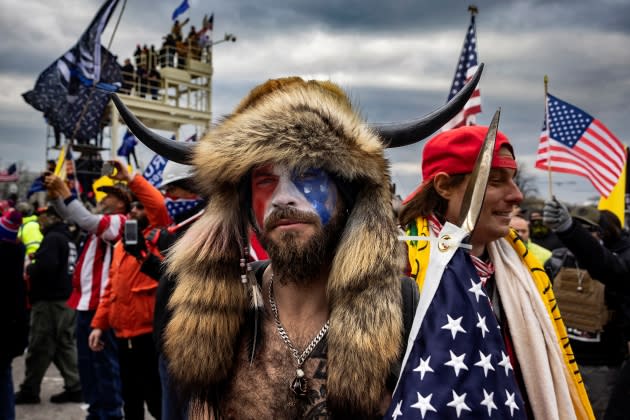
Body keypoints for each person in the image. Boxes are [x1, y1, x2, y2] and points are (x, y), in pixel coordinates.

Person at [113, 76, 450, 418]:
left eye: (306, 175)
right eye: (265, 180)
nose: (283, 198)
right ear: (247, 207)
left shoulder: (406, 312)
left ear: (346, 193)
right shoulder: (222, 315)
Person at [398, 125, 593, 419]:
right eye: (495, 181)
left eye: (513, 180)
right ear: (444, 186)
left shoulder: (528, 271)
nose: (516, 196)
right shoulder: (396, 268)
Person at [88, 161, 170, 420]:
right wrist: (99, 324)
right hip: (122, 336)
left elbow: (157, 204)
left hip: (149, 336)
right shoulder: (123, 243)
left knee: (157, 402)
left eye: (139, 206)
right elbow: (111, 287)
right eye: (132, 206)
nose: (134, 210)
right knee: (130, 402)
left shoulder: (155, 234)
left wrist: (131, 178)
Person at [45, 174, 127, 420]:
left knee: (104, 368)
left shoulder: (120, 221)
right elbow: (73, 216)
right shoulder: (101, 222)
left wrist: (67, 194)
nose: (103, 198)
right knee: (87, 368)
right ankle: (95, 412)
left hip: (102, 308)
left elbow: (86, 219)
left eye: (109, 195)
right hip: (85, 305)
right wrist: (58, 197)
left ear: (122, 201)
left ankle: (110, 414)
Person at [543, 202, 630, 419]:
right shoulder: (557, 260)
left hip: (602, 366)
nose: (585, 234)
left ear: (605, 233)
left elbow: (610, 269)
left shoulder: (619, 261)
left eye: (589, 229)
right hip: (565, 360)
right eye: (580, 228)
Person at [14, 206, 82, 405]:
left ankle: (30, 389)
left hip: (50, 301)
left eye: (42, 216)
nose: (39, 220)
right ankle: (75, 385)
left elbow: (46, 267)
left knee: (40, 345)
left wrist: (31, 267)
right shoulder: (66, 238)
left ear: (53, 217)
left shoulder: (53, 238)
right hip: (64, 300)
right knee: (62, 344)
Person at [0, 209, 26, 420]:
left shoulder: (5, 256)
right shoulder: (17, 252)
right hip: (12, 327)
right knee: (4, 379)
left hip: (4, 326)